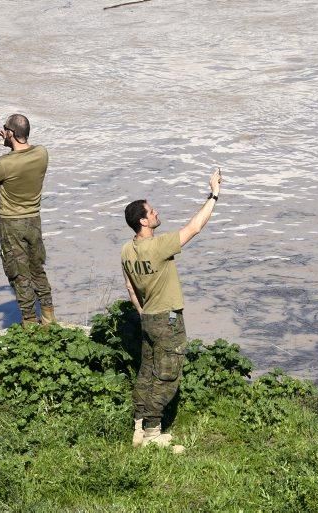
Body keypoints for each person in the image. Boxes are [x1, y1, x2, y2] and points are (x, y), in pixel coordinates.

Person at [121, 167, 222, 452]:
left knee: (147, 372)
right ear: (143, 221)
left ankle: (139, 426)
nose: (156, 213)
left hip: (149, 317)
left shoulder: (126, 250)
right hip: (167, 318)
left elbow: (130, 288)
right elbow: (195, 227)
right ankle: (154, 432)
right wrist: (213, 194)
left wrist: (143, 313)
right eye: (152, 212)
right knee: (168, 376)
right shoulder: (159, 245)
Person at [0, 114, 56, 326]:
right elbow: (22, 154)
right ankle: (48, 317)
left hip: (11, 225)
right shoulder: (42, 153)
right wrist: (9, 142)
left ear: (10, 133)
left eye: (5, 129)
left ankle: (28, 321)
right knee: (37, 268)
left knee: (19, 274)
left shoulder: (4, 164)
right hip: (34, 221)